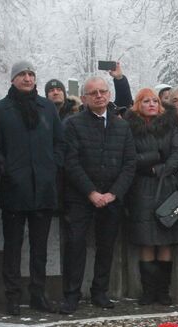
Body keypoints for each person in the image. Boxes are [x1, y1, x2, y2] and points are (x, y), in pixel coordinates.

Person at [0, 61, 65, 316]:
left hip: (43, 187)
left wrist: (51, 167)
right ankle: (12, 296)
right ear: (13, 79)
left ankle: (38, 293)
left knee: (40, 247)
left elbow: (59, 142)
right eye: (22, 74)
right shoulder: (1, 109)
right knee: (12, 246)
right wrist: (7, 171)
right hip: (14, 187)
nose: (27, 78)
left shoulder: (46, 108)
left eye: (31, 74)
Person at [61, 75, 136, 314]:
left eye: (103, 91)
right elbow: (70, 162)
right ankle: (72, 295)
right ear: (84, 98)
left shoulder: (122, 125)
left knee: (106, 246)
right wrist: (91, 192)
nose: (99, 96)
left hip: (112, 197)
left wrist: (114, 193)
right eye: (93, 93)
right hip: (81, 197)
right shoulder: (72, 124)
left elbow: (129, 163)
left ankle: (100, 292)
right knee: (75, 245)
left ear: (109, 95)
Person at [125, 88, 178, 306]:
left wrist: (160, 169)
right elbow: (130, 156)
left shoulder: (170, 125)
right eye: (145, 101)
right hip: (141, 187)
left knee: (165, 239)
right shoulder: (130, 127)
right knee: (146, 240)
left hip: (167, 185)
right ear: (137, 104)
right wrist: (152, 161)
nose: (151, 104)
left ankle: (163, 291)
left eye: (154, 101)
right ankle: (148, 291)